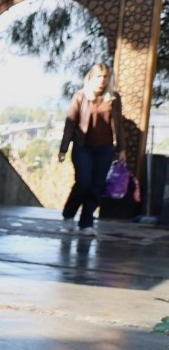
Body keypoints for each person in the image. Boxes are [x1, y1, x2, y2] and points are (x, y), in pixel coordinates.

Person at [58, 63, 122, 238]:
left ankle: (86, 223)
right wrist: (63, 148)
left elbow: (118, 125)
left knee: (96, 186)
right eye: (98, 76)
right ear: (91, 78)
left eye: (105, 77)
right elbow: (70, 123)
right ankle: (68, 215)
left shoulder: (113, 98)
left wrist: (121, 149)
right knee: (83, 182)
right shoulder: (80, 96)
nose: (102, 80)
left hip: (105, 149)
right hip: (83, 147)